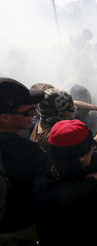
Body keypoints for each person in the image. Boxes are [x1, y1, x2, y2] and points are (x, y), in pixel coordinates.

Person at [0, 77, 46, 236]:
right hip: (17, 229)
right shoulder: (28, 152)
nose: (35, 113)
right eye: (29, 111)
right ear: (5, 117)